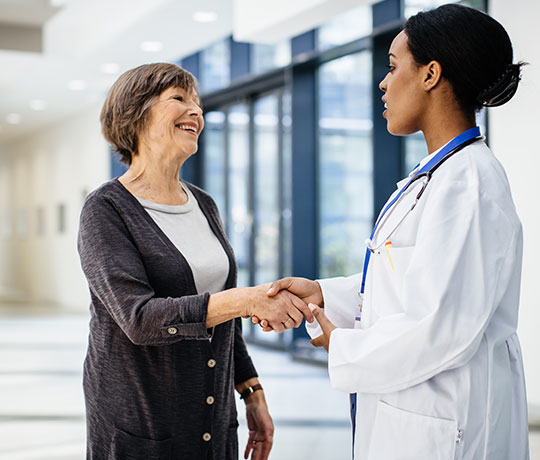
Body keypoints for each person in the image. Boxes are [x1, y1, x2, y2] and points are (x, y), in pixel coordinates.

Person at [265, 4, 529, 459]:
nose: (383, 83)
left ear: (431, 74)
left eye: (392, 66)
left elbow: (441, 326)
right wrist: (325, 294)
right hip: (415, 413)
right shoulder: (436, 177)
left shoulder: (468, 182)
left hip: (445, 426)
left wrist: (341, 345)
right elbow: (409, 283)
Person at [77, 62, 312, 460]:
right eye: (180, 99)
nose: (197, 112)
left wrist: (251, 390)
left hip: (213, 421)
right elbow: (139, 318)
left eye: (198, 103)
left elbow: (222, 315)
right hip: (143, 424)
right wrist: (245, 300)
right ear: (136, 113)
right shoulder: (106, 209)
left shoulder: (203, 204)